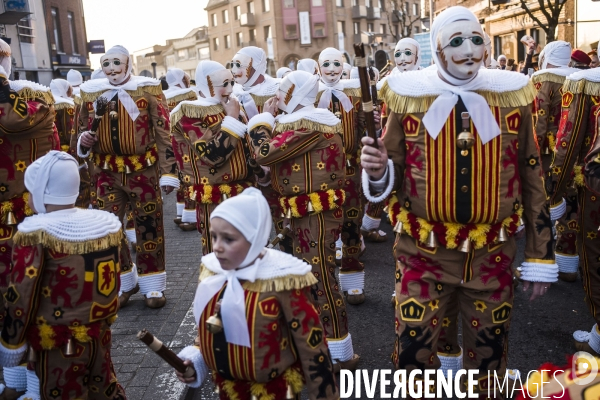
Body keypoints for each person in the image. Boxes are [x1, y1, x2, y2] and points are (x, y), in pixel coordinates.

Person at [362, 6, 555, 395]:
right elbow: (393, 169)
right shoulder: (408, 99)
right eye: (456, 41)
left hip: (492, 256)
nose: (470, 49)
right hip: (421, 253)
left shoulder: (510, 97)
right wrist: (380, 170)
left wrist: (541, 254)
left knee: (489, 361)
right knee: (413, 358)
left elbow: (532, 174)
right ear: (437, 49)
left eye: (476, 39)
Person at [174, 187, 338, 399]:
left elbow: (312, 346)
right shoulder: (214, 275)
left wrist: (324, 394)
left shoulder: (281, 281)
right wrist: (196, 357)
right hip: (228, 389)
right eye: (214, 237)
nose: (217, 247)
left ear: (255, 239)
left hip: (275, 391)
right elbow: (210, 327)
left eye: (229, 239)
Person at [248, 70, 360, 370]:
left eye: (284, 90)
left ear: (294, 93)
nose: (277, 96)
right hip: (302, 213)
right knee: (310, 278)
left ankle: (339, 350)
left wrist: (261, 120)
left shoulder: (309, 126)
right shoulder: (306, 124)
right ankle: (322, 342)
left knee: (320, 277)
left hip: (314, 215)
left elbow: (264, 151)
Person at [0, 151, 126, 400]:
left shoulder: (35, 233)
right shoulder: (104, 225)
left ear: (41, 192)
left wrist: (12, 342)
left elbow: (22, 294)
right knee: (103, 387)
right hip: (99, 333)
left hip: (56, 339)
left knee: (63, 391)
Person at [76, 45, 178, 309]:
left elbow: (163, 133)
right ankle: (124, 280)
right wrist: (84, 141)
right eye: (106, 64)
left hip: (142, 171)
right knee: (108, 228)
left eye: (116, 63)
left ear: (127, 64)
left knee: (149, 225)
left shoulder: (147, 91)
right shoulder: (91, 94)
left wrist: (168, 171)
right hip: (105, 172)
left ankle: (153, 287)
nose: (111, 69)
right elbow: (80, 130)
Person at [0, 37, 58, 400]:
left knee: (23, 291)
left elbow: (15, 123)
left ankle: (25, 379)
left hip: (20, 213)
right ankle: (9, 376)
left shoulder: (31, 97)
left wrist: (2, 87)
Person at [170, 60, 253, 255]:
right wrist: (231, 118)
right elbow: (212, 156)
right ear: (206, 84)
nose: (230, 89)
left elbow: (246, 149)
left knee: (246, 251)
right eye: (224, 84)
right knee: (219, 253)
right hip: (214, 195)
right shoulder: (190, 113)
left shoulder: (232, 106)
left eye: (231, 82)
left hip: (242, 191)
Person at [549, 61, 600, 355]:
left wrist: (554, 192)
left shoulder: (585, 84)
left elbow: (568, 141)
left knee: (595, 259)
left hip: (595, 188)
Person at [314, 47, 367, 305]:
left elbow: (360, 130)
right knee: (324, 227)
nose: (333, 69)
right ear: (318, 67)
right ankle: (326, 286)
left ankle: (353, 278)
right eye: (327, 64)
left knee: (351, 224)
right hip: (320, 174)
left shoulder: (354, 95)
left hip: (351, 170)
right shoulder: (310, 95)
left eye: (337, 63)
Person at [531, 41, 580, 282]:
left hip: (549, 155)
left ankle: (543, 263)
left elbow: (538, 124)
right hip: (576, 153)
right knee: (570, 207)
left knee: (543, 207)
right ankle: (568, 261)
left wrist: (533, 157)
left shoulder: (542, 80)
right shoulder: (580, 79)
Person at [164, 68, 198, 232]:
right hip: (185, 140)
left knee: (178, 177)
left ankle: (180, 214)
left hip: (168, 142)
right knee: (190, 176)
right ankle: (190, 216)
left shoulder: (163, 96)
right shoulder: (189, 94)